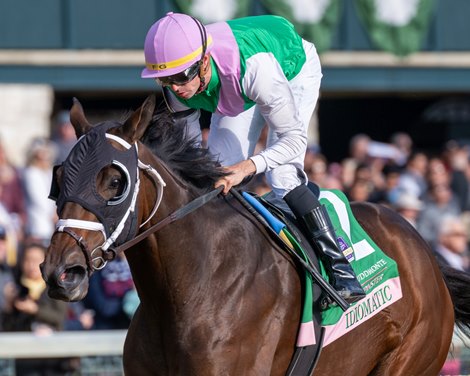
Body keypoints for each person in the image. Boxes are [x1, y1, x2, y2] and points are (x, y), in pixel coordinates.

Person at [141, 12, 365, 305]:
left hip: (289, 69)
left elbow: (295, 139)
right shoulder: (178, 82)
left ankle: (340, 270)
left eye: (180, 77)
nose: (175, 88)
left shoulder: (256, 70)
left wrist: (247, 167)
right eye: (164, 80)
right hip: (236, 84)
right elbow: (192, 158)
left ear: (204, 62)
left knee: (282, 175)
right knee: (214, 175)